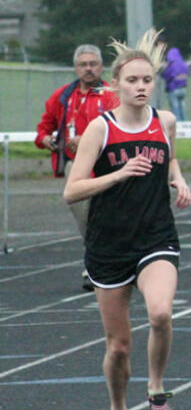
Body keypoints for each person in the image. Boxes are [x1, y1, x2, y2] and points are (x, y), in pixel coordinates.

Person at [62, 30, 191, 410]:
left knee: (160, 314)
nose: (140, 87)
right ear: (116, 85)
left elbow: (168, 157)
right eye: (133, 80)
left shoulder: (165, 121)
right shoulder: (100, 129)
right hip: (109, 243)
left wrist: (179, 179)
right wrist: (118, 173)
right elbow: (72, 191)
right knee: (118, 346)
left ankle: (156, 388)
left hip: (155, 236)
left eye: (147, 80)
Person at [35, 43, 120, 290]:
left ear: (101, 66)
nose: (89, 69)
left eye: (93, 64)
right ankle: (95, 266)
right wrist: (47, 139)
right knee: (87, 220)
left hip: (109, 165)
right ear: (75, 68)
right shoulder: (63, 96)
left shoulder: (112, 94)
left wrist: (90, 140)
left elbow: (125, 126)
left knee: (112, 219)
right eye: (83, 64)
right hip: (78, 168)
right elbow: (44, 128)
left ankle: (112, 265)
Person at [161, 46, 189, 120]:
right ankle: (185, 123)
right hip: (183, 89)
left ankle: (178, 126)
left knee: (175, 109)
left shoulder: (172, 65)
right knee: (182, 108)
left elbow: (166, 75)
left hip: (174, 89)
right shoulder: (184, 64)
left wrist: (164, 70)